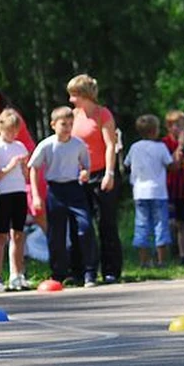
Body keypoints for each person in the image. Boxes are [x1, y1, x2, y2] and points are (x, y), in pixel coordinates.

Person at [27, 107, 97, 287]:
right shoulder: (47, 145)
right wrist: (36, 195)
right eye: (63, 124)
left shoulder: (78, 144)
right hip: (55, 190)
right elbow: (34, 168)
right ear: (53, 125)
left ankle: (87, 271)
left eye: (70, 124)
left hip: (74, 189)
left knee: (84, 227)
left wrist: (84, 173)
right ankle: (58, 273)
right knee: (56, 234)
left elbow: (86, 166)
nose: (67, 128)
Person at [67, 73, 123, 283]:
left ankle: (111, 270)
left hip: (102, 173)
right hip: (81, 175)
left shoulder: (103, 114)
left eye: (74, 95)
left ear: (84, 95)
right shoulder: (74, 116)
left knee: (106, 223)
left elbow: (110, 145)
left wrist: (109, 173)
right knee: (82, 225)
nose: (71, 100)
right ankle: (81, 270)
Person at [0, 81, 46, 233]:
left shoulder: (9, 118)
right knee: (13, 223)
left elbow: (17, 145)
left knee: (37, 212)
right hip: (4, 176)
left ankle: (60, 248)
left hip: (27, 168)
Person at [0, 110, 30, 291]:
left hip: (19, 191)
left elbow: (26, 175)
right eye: (9, 130)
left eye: (15, 130)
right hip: (3, 194)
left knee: (18, 234)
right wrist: (10, 166)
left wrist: (23, 167)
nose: (12, 134)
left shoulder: (20, 146)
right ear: (0, 128)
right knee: (1, 236)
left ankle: (17, 273)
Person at [125, 114, 173, 269]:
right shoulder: (160, 147)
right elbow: (170, 165)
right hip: (158, 191)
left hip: (139, 191)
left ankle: (143, 261)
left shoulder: (134, 147)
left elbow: (127, 163)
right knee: (160, 225)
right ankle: (161, 261)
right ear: (154, 131)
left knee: (142, 225)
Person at [162, 110, 184, 265]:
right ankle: (165, 255)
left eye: (182, 125)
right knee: (170, 222)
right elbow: (171, 163)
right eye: (176, 125)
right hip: (169, 187)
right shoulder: (164, 143)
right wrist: (179, 147)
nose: (179, 129)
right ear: (169, 126)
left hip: (183, 188)